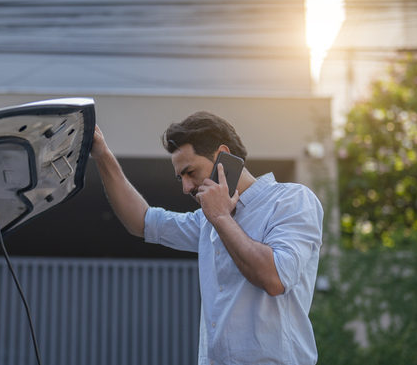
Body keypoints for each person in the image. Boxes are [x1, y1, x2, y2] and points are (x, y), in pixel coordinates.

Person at [90, 111, 323, 365]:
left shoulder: (292, 200)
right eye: (181, 177)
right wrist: (102, 155)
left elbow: (275, 278)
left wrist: (221, 217)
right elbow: (142, 222)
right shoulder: (207, 220)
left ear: (223, 156)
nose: (186, 187)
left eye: (191, 172)